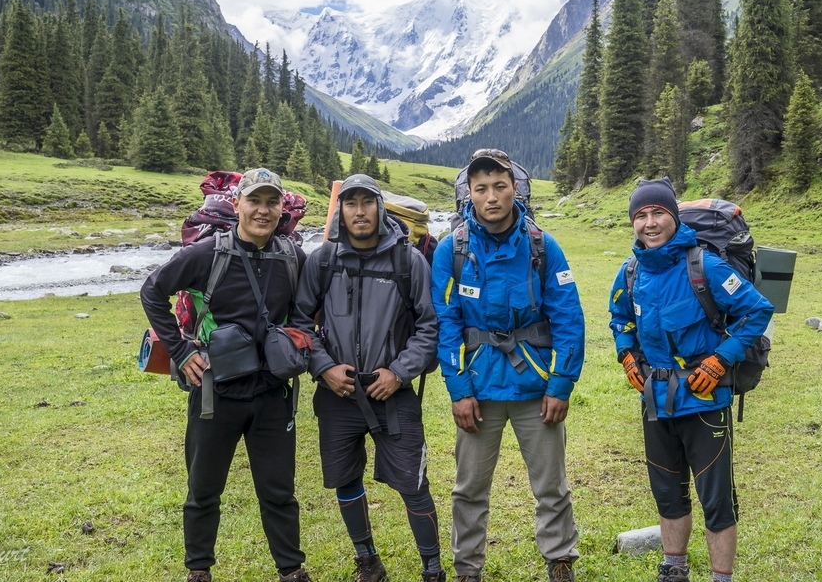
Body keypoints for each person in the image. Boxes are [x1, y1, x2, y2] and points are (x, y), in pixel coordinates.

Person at [140, 168, 311, 582]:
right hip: (214, 393)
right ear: (237, 205)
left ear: (280, 209)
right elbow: (152, 290)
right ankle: (199, 572)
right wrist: (180, 352)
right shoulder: (207, 254)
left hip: (272, 394)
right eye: (255, 201)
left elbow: (309, 311)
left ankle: (291, 572)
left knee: (279, 493)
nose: (263, 210)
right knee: (203, 489)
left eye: (272, 202)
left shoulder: (292, 257)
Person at [608, 178, 774, 582]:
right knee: (667, 494)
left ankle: (721, 577)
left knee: (716, 500)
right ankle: (674, 569)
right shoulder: (630, 272)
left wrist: (722, 360)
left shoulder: (705, 266)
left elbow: (757, 311)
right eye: (641, 215)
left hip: (706, 400)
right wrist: (626, 353)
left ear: (673, 217)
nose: (650, 223)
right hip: (655, 398)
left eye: (658, 213)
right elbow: (620, 319)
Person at [431, 149, 585, 582]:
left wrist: (561, 384)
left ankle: (559, 560)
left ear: (514, 188)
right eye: (482, 188)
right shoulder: (451, 250)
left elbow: (569, 317)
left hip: (535, 386)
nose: (492, 196)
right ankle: (468, 570)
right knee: (469, 488)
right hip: (478, 389)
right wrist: (458, 391)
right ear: (470, 193)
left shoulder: (542, 245)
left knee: (551, 485)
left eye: (500, 186)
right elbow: (446, 324)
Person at [291, 174, 445, 582]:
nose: (359, 211)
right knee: (345, 477)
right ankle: (368, 562)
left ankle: (433, 569)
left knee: (413, 483)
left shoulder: (406, 260)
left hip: (392, 393)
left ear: (379, 207)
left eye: (367, 202)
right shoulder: (324, 259)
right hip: (337, 393)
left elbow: (430, 327)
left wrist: (398, 371)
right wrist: (323, 367)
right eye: (351, 203)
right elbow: (300, 321)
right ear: (341, 210)